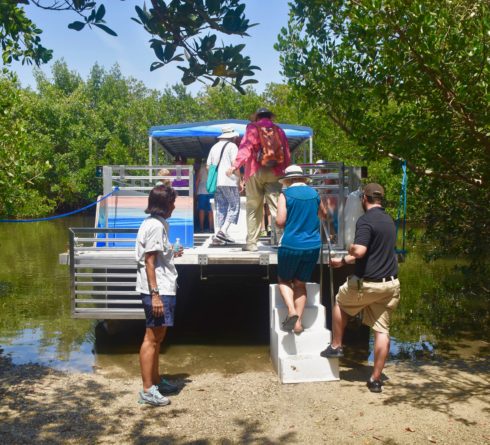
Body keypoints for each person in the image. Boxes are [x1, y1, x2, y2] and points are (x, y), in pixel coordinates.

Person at [320, 183, 400, 393]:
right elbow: (373, 252)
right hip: (389, 285)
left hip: (367, 284)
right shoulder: (389, 220)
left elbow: (361, 250)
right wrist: (343, 262)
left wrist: (349, 247)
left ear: (364, 199)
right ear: (381, 199)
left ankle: (337, 346)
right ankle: (375, 380)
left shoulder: (365, 220)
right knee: (382, 330)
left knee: (340, 301)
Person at [135, 184, 184, 406]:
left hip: (163, 288)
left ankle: (155, 381)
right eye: (172, 202)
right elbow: (149, 262)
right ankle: (147, 390)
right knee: (151, 338)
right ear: (164, 205)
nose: (174, 206)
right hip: (158, 289)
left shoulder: (157, 224)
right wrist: (155, 295)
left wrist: (172, 252)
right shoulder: (155, 226)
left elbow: (158, 255)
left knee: (158, 337)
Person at [226, 107, 291, 252]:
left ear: (256, 117)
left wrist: (235, 165)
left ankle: (252, 244)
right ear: (270, 117)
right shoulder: (278, 130)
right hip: (275, 172)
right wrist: (285, 171)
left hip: (255, 171)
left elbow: (246, 148)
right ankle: (282, 241)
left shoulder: (252, 128)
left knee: (253, 208)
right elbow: (286, 152)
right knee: (276, 208)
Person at [276, 165, 327, 334]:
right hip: (312, 245)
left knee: (284, 280)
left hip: (291, 244)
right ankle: (297, 324)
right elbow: (324, 214)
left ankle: (291, 312)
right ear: (303, 179)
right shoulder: (314, 194)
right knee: (300, 284)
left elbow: (280, 221)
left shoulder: (285, 195)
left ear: (288, 180)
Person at [207, 125, 241, 244]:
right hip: (229, 181)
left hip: (217, 182)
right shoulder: (232, 146)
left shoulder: (214, 147)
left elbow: (208, 166)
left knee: (220, 208)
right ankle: (223, 230)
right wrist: (240, 180)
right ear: (232, 136)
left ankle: (218, 235)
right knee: (235, 205)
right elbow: (234, 165)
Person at [195, 159, 214, 232]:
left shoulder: (201, 168)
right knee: (211, 210)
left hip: (202, 191)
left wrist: (196, 192)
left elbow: (197, 181)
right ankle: (211, 228)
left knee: (201, 210)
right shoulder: (213, 169)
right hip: (211, 191)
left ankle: (201, 228)